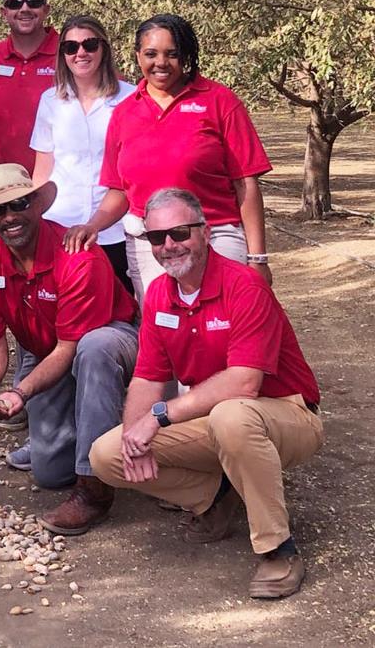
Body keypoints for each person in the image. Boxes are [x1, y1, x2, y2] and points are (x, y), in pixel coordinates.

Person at [90, 188, 322, 599]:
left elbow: (244, 383)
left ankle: (278, 550)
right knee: (107, 455)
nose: (168, 246)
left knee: (231, 415)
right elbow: (146, 377)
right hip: (216, 419)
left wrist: (158, 418)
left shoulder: (244, 286)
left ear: (206, 232)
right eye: (156, 238)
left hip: (288, 415)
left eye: (179, 233)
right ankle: (217, 497)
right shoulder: (161, 292)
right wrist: (134, 435)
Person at [0, 164, 138, 534]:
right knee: (51, 473)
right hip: (45, 351)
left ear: (38, 205)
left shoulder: (78, 258)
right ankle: (97, 432)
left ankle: (94, 490)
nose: (9, 217)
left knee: (93, 348)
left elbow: (70, 347)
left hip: (109, 341)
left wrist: (21, 392)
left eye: (19, 204)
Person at [66, 14, 273, 300]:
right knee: (162, 329)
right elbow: (119, 190)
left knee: (222, 328)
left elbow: (245, 184)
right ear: (138, 57)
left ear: (185, 55)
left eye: (171, 54)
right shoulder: (124, 114)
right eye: (151, 54)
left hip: (215, 237)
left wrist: (258, 258)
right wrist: (92, 225)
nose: (160, 63)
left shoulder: (220, 101)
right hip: (149, 245)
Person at [30, 14, 134, 296]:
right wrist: (36, 223)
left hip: (117, 228)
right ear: (62, 54)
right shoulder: (50, 101)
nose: (81, 53)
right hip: (61, 226)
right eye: (71, 47)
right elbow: (42, 171)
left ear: (103, 48)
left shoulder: (132, 98)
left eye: (89, 44)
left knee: (122, 311)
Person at [0, 0, 59, 174]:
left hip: (62, 188)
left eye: (33, 2)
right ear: (4, 12)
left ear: (46, 9)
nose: (25, 9)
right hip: (8, 186)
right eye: (15, 3)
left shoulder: (72, 53)